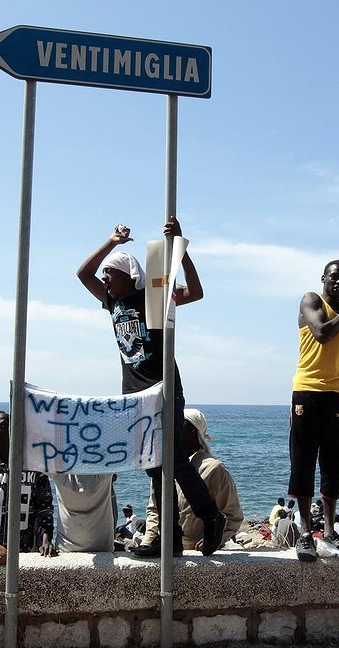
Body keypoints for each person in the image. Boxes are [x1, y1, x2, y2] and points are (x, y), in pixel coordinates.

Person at [76, 218, 226, 557]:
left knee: (170, 460)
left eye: (110, 274)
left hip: (163, 389)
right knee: (153, 465)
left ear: (129, 276)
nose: (104, 279)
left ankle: (210, 516)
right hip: (135, 397)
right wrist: (111, 243)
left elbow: (197, 292)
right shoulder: (112, 302)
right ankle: (169, 539)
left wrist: (180, 250)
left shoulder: (153, 297)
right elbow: (83, 274)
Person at [288, 260, 339, 561]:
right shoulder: (311, 301)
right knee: (303, 462)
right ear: (323, 278)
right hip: (308, 392)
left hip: (338, 395)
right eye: (334, 277)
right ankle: (305, 533)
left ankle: (329, 531)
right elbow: (322, 333)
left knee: (334, 465)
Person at [136, 408, 243, 553]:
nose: (172, 433)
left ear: (193, 432)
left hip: (198, 553)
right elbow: (154, 509)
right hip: (169, 550)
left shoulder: (213, 468)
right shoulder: (165, 466)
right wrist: (148, 541)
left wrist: (215, 540)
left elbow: (233, 516)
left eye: (179, 427)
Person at [0, 411, 56, 555]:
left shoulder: (35, 467)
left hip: (27, 552)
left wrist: (46, 540)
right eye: (5, 425)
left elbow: (44, 510)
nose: (12, 428)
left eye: (13, 423)